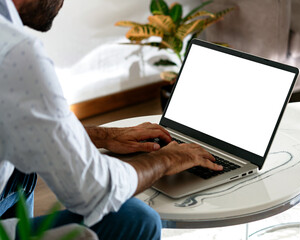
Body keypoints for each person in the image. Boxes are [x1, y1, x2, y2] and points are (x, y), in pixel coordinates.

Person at [0, 0, 223, 239]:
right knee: (136, 219)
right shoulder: (16, 51)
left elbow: (24, 125)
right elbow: (92, 191)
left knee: (20, 163)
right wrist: (167, 159)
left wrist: (105, 135)